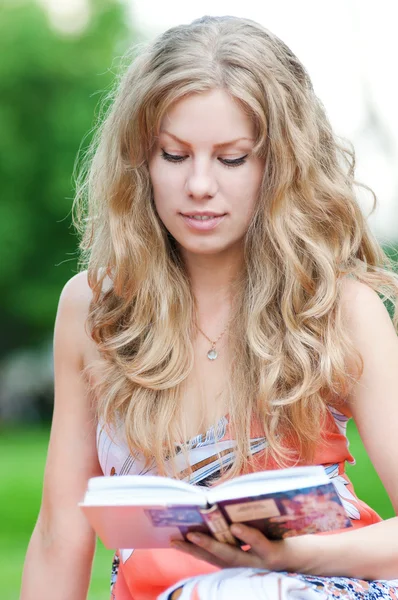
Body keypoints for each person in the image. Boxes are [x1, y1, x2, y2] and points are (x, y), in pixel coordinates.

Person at [20, 14, 398, 600]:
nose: (198, 184)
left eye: (231, 159)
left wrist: (295, 554)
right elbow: (58, 536)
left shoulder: (340, 309)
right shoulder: (95, 308)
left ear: (280, 165)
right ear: (139, 162)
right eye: (173, 155)